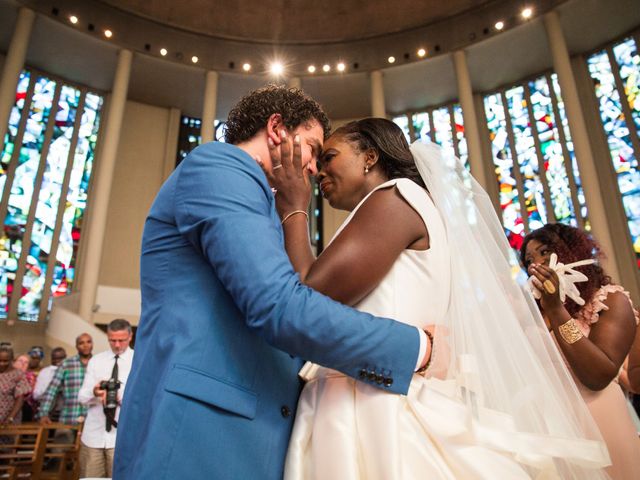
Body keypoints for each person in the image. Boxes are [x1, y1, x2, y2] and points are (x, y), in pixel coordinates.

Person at [265, 118, 611, 479]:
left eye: (329, 157)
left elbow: (307, 295)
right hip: (368, 388)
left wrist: (294, 205)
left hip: (375, 405)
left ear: (370, 157)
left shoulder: (395, 198)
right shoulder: (398, 205)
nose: (318, 171)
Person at [113, 86, 429, 480]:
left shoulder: (264, 204)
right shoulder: (220, 165)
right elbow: (279, 306)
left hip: (259, 431)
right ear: (277, 128)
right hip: (200, 432)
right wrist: (415, 347)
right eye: (314, 149)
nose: (315, 169)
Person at [522, 223, 640, 479]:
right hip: (551, 426)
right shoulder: (534, 314)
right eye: (529, 260)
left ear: (571, 251)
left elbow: (598, 375)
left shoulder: (610, 299)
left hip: (597, 419)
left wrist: (556, 310)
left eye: (544, 252)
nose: (536, 264)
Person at [78, 320, 133, 478]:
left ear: (130, 337)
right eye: (112, 340)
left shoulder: (138, 361)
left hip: (121, 437)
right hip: (93, 435)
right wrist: (95, 392)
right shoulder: (96, 360)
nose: (116, 345)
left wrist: (119, 397)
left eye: (121, 340)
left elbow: (143, 400)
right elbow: (82, 396)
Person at [38, 334, 93, 425]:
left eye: (88, 342)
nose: (85, 345)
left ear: (92, 344)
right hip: (69, 418)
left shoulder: (98, 363)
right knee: (62, 439)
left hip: (91, 420)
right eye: (81, 343)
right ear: (76, 346)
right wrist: (44, 413)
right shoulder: (66, 364)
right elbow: (52, 390)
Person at [0, 347, 31, 425]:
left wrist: (10, 418)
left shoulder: (18, 374)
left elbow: (19, 399)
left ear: (12, 360)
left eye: (5, 361)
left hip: (9, 420)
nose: (1, 363)